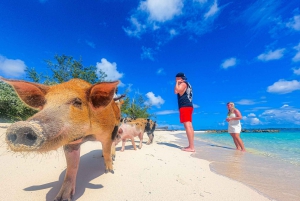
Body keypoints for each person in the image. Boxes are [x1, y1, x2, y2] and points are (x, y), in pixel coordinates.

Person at [174, 72, 195, 152]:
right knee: (189, 125)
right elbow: (177, 91)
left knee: (188, 126)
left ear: (180, 78)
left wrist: (177, 83)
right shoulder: (187, 84)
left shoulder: (183, 84)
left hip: (185, 106)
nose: (175, 80)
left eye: (176, 79)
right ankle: (191, 145)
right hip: (188, 106)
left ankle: (191, 147)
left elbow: (176, 91)